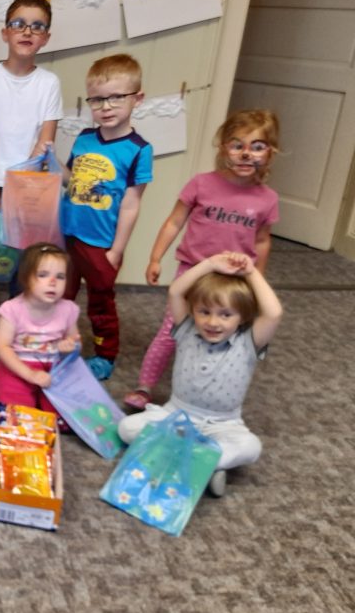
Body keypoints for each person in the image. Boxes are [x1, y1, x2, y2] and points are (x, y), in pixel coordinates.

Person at [125, 109, 280, 410]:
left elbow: (262, 241)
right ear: (223, 148)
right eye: (237, 145)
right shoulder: (201, 184)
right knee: (173, 330)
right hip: (193, 272)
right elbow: (174, 222)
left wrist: (256, 281)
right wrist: (155, 258)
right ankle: (144, 386)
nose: (246, 154)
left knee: (224, 335)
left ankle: (207, 391)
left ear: (269, 153)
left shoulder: (267, 199)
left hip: (235, 280)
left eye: (257, 147)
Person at [117, 251, 283, 497]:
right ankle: (204, 463)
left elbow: (274, 313)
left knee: (251, 447)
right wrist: (210, 264)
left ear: (242, 316)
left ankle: (186, 457)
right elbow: (176, 291)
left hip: (223, 424)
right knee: (126, 427)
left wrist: (251, 272)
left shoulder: (248, 342)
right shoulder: (186, 330)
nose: (213, 322)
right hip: (176, 415)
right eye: (204, 312)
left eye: (226, 314)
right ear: (193, 311)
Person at [0, 0, 63, 345]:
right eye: (19, 24)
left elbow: (45, 140)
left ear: (46, 38)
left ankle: (15, 317)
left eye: (37, 26)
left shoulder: (49, 83)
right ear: (5, 33)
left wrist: (24, 185)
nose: (27, 31)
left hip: (29, 186)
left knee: (23, 258)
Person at [60, 54, 152, 381]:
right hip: (67, 235)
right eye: (97, 99)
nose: (106, 106)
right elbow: (70, 180)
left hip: (102, 244)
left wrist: (117, 250)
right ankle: (54, 342)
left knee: (101, 303)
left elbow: (131, 204)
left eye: (116, 97)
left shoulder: (139, 149)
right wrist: (49, 162)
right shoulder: (84, 138)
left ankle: (105, 353)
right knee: (60, 296)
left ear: (137, 98)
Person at [0, 243, 80, 422]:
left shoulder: (68, 309)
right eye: (43, 275)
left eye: (60, 276)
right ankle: (2, 384)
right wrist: (30, 374)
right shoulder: (12, 309)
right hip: (19, 368)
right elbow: (3, 347)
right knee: (16, 417)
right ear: (26, 278)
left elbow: (75, 341)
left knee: (66, 417)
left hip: (54, 370)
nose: (53, 282)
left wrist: (70, 347)